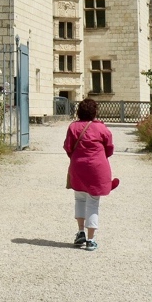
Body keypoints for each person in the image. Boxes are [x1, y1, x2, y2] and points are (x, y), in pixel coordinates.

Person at [64, 97, 118, 252]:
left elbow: (68, 147)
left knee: (79, 199)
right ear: (95, 112)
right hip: (97, 168)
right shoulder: (101, 128)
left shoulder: (73, 127)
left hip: (78, 167)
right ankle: (91, 239)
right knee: (93, 202)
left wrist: (77, 157)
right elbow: (109, 148)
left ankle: (80, 232)